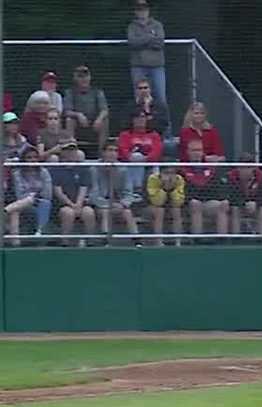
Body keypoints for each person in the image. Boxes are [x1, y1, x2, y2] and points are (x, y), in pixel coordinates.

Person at [128, 0, 169, 133]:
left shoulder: (157, 25)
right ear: (135, 11)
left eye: (144, 8)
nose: (142, 11)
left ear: (148, 10)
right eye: (139, 9)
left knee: (161, 99)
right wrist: (150, 37)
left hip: (157, 66)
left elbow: (160, 42)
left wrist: (143, 40)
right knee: (139, 99)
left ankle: (166, 133)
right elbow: (133, 42)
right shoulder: (132, 26)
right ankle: (138, 131)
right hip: (138, 66)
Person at [179, 139, 229, 240]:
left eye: (199, 150)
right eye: (193, 150)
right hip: (187, 204)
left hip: (206, 202)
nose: (197, 153)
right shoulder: (181, 168)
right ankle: (197, 240)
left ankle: (222, 240)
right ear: (188, 152)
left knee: (223, 204)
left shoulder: (210, 168)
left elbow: (217, 189)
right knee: (195, 204)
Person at [91, 142, 138, 241]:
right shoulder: (94, 169)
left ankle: (136, 240)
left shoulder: (123, 169)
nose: (113, 153)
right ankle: (105, 239)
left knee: (127, 212)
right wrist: (109, 204)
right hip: (100, 204)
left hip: (118, 204)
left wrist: (122, 204)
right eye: (110, 150)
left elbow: (129, 192)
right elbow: (93, 194)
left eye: (115, 151)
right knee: (105, 212)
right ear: (103, 153)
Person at [52, 142, 96, 247]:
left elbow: (83, 188)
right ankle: (64, 243)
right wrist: (71, 205)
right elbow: (58, 191)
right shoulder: (55, 168)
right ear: (62, 152)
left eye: (73, 150)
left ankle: (90, 242)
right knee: (68, 213)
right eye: (68, 150)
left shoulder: (83, 169)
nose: (71, 152)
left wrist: (78, 205)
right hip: (62, 205)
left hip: (79, 203)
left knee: (89, 212)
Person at [6, 145, 53, 240]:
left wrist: (33, 197)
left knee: (46, 203)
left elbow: (48, 194)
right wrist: (32, 197)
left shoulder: (44, 172)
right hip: (23, 204)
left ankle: (40, 231)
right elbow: (19, 194)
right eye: (29, 157)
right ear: (23, 159)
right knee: (26, 202)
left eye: (35, 157)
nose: (33, 160)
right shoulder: (17, 174)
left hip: (40, 201)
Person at [64, 65, 109, 156]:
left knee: (104, 121)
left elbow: (104, 110)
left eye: (86, 76)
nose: (84, 79)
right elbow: (66, 111)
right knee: (69, 120)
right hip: (78, 123)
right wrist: (78, 115)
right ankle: (72, 152)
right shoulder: (69, 92)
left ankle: (102, 154)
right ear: (75, 79)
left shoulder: (97, 92)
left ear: (90, 77)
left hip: (94, 123)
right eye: (80, 76)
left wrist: (99, 119)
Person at [117, 110, 164, 192]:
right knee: (136, 156)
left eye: (142, 117)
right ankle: (137, 189)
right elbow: (123, 152)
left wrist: (145, 159)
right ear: (132, 120)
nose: (140, 120)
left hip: (149, 164)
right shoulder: (125, 135)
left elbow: (157, 152)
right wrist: (135, 158)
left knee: (152, 165)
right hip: (130, 165)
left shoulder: (154, 135)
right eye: (137, 117)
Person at [227, 152, 262, 236]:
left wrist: (256, 203)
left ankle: (261, 237)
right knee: (235, 209)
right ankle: (236, 237)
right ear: (238, 167)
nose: (245, 170)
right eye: (242, 167)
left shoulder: (261, 176)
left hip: (255, 205)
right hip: (238, 205)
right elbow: (232, 195)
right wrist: (244, 203)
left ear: (254, 168)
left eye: (248, 167)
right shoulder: (231, 177)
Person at [146, 163, 185, 246]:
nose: (170, 176)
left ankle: (178, 242)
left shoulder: (179, 179)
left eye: (172, 173)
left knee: (176, 210)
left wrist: (172, 188)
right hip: (151, 206)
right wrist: (164, 188)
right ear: (160, 173)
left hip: (171, 205)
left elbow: (178, 202)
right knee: (160, 211)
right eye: (166, 173)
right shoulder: (153, 179)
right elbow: (157, 202)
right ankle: (158, 242)